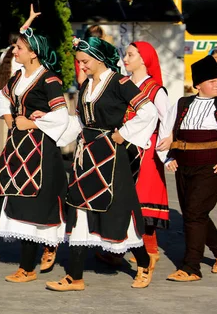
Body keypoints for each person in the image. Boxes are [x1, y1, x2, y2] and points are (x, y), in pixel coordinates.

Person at [44, 36, 158, 291]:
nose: (81, 66)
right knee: (79, 208)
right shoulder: (86, 86)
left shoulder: (120, 83)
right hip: (86, 154)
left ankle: (143, 261)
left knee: (117, 210)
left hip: (111, 155)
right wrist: (53, 133)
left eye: (84, 61)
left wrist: (124, 133)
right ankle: (75, 276)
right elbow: (80, 122)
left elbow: (149, 111)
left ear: (98, 58)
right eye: (79, 62)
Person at [0, 5, 69, 282]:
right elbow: (2, 97)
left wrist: (33, 123)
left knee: (34, 205)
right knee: (20, 202)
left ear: (33, 52)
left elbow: (61, 116)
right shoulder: (18, 77)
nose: (15, 51)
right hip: (18, 149)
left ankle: (28, 267)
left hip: (41, 151)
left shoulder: (49, 79)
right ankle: (39, 253)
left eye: (20, 48)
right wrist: (11, 120)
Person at [158, 55, 217, 282]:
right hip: (184, 166)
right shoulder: (183, 104)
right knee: (195, 213)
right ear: (198, 84)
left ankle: (191, 267)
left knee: (193, 214)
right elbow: (166, 131)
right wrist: (166, 157)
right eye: (212, 81)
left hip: (212, 167)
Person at [121, 41, 169, 265]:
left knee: (143, 200)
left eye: (131, 55)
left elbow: (167, 120)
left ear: (144, 59)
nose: (126, 59)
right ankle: (117, 249)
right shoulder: (124, 84)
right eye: (125, 55)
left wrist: (166, 146)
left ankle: (149, 250)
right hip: (124, 145)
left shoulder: (155, 89)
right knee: (123, 198)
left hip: (147, 149)